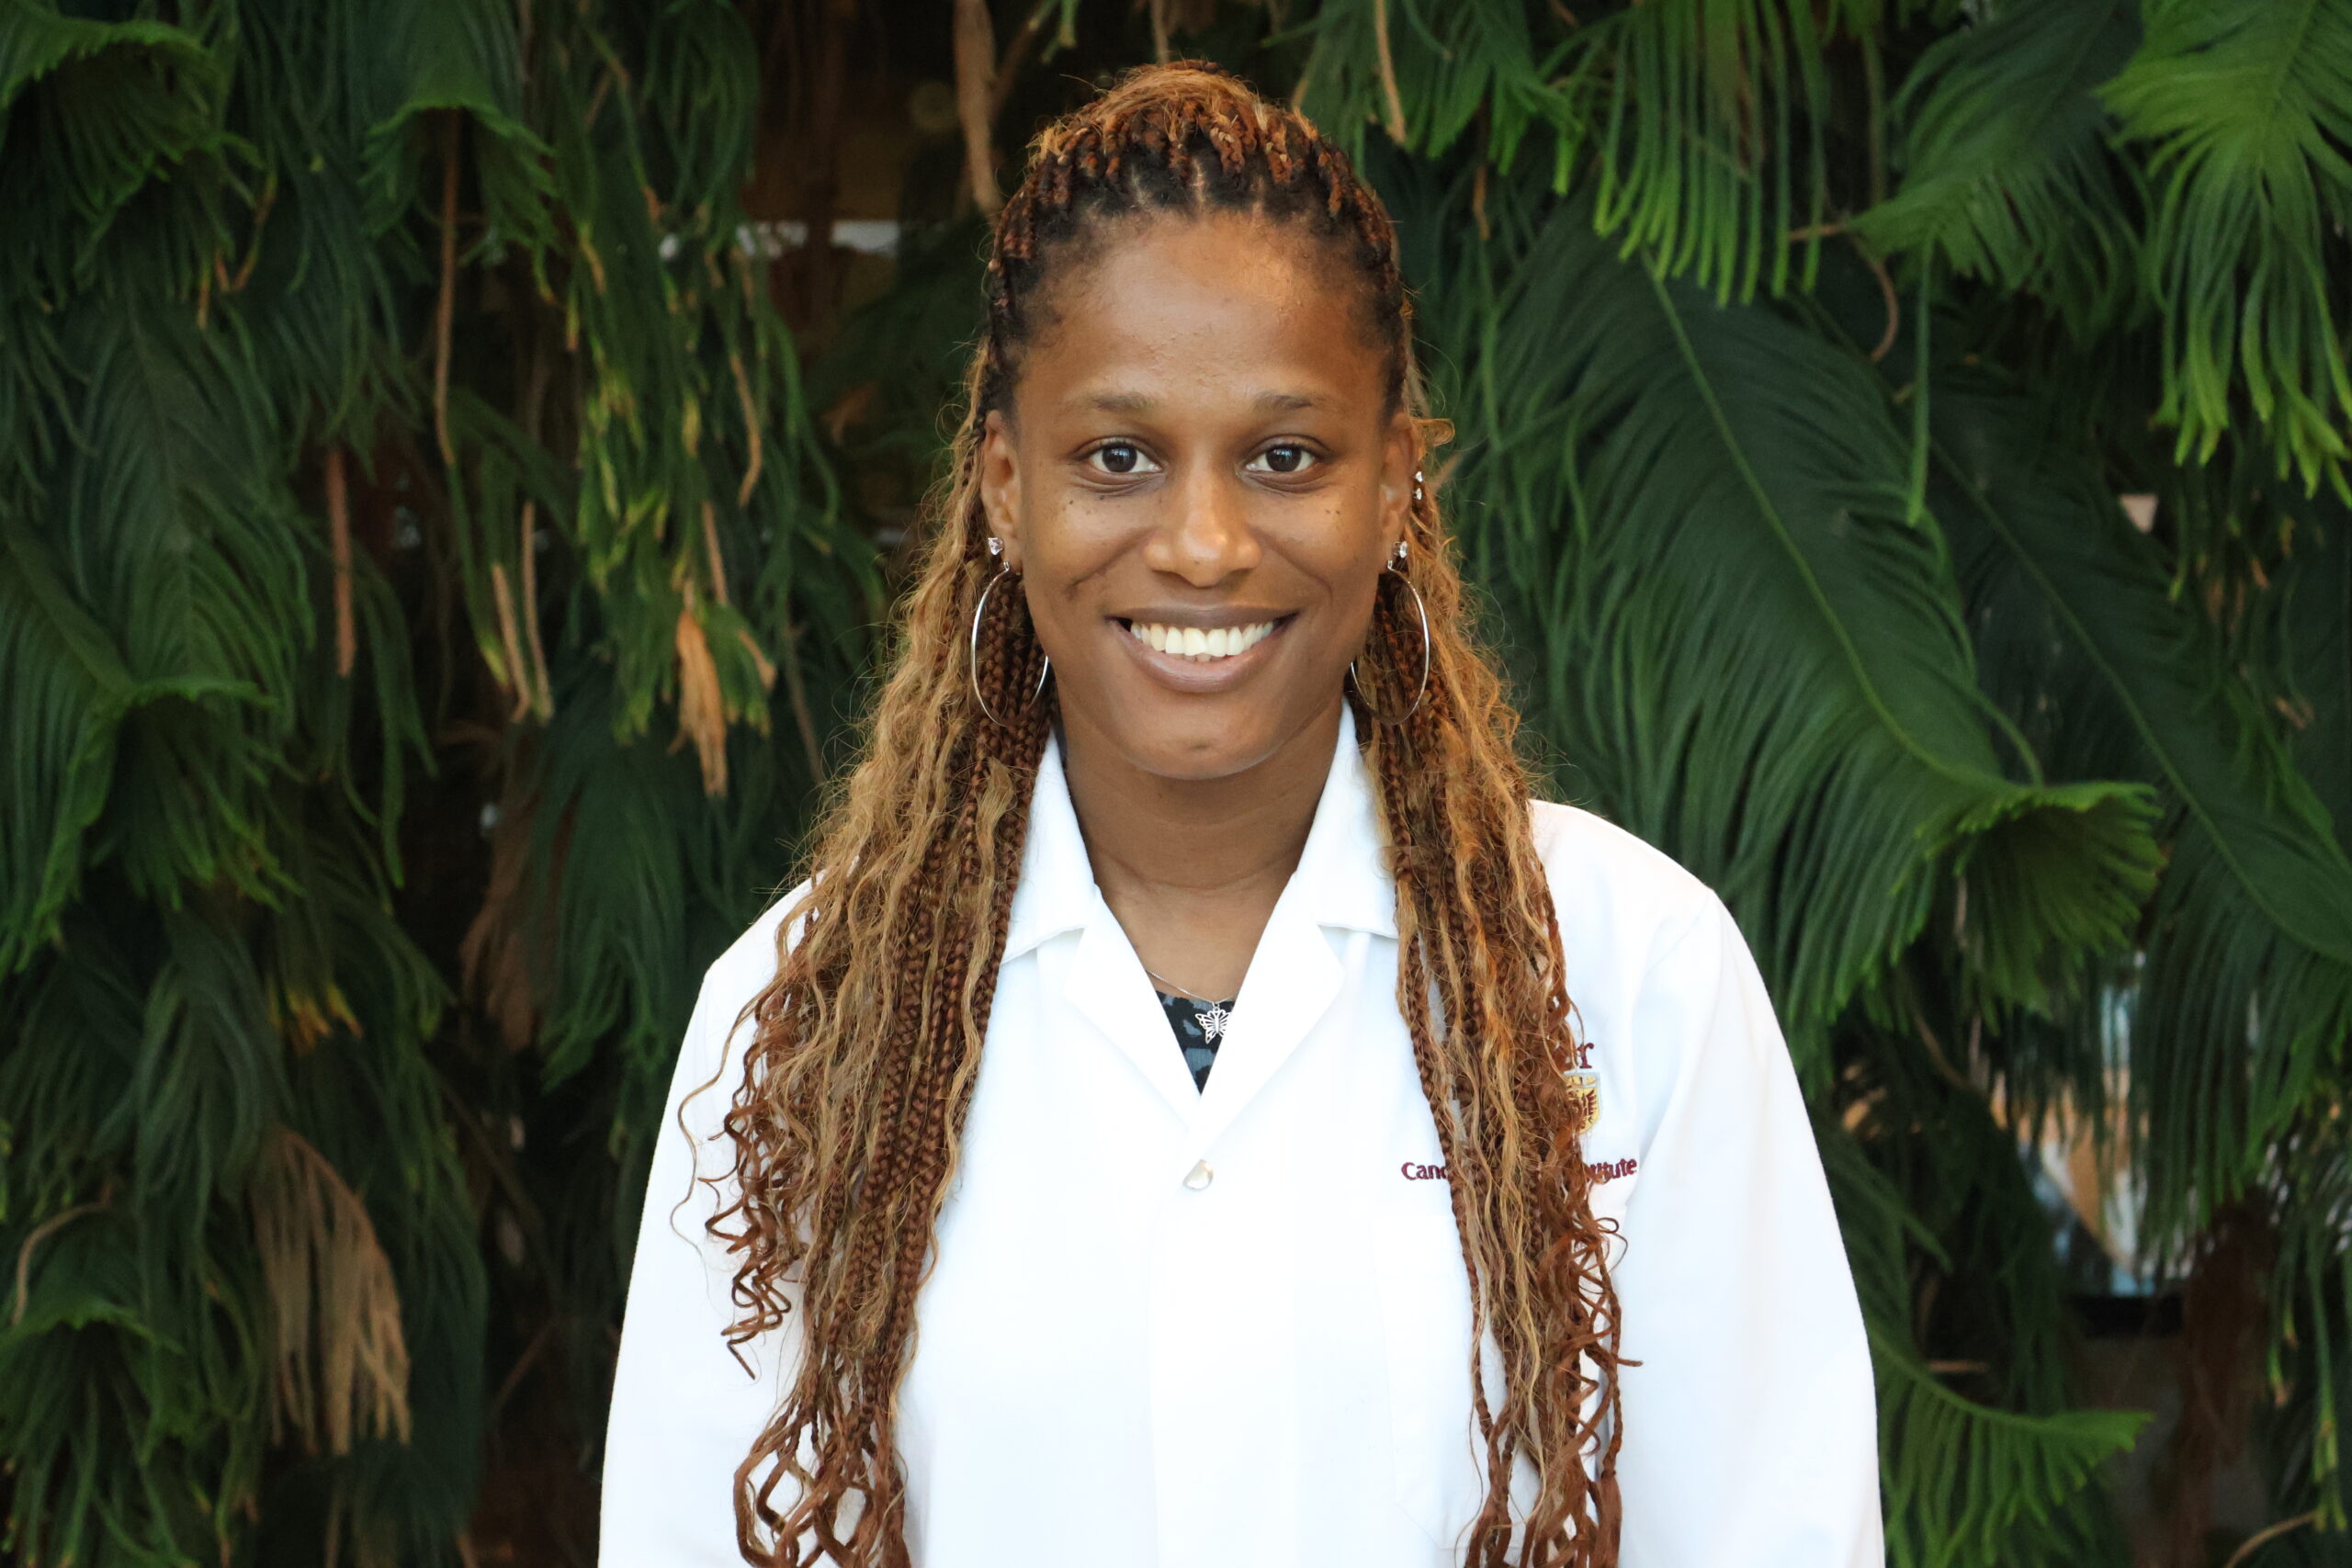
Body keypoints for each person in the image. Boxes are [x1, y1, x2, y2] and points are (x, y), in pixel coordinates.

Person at [601, 61, 1881, 1568]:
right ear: (1005, 489)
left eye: (1285, 457)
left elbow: (1770, 1532)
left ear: (1398, 480)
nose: (1202, 545)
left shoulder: (1635, 974)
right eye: (1118, 457)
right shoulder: (796, 1020)